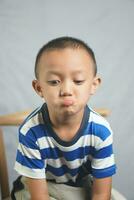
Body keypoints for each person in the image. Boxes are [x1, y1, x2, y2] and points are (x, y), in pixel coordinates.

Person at [14, 36, 116, 200]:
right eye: (54, 82)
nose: (67, 90)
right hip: (41, 185)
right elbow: (39, 196)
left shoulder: (100, 131)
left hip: (81, 185)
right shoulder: (31, 132)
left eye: (78, 81)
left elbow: (100, 193)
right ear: (39, 88)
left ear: (93, 85)